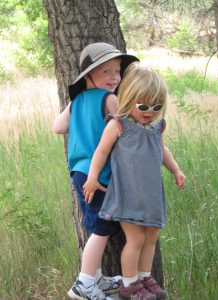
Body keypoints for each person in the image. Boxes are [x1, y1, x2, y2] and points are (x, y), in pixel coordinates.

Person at [83, 62, 186, 300]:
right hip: (127, 194)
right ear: (130, 98)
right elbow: (100, 152)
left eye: (156, 106)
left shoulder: (156, 126)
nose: (150, 110)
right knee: (136, 238)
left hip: (150, 194)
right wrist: (92, 177)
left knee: (151, 236)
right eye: (144, 105)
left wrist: (176, 170)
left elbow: (162, 151)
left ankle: (144, 277)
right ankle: (129, 284)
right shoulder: (119, 124)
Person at [53, 42, 139, 300]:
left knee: (97, 224)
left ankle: (96, 276)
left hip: (79, 173)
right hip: (99, 175)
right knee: (102, 227)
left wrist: (78, 115)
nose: (114, 77)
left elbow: (58, 127)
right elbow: (126, 133)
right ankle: (85, 283)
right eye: (106, 72)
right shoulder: (109, 99)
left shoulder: (76, 101)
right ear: (88, 75)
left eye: (117, 71)